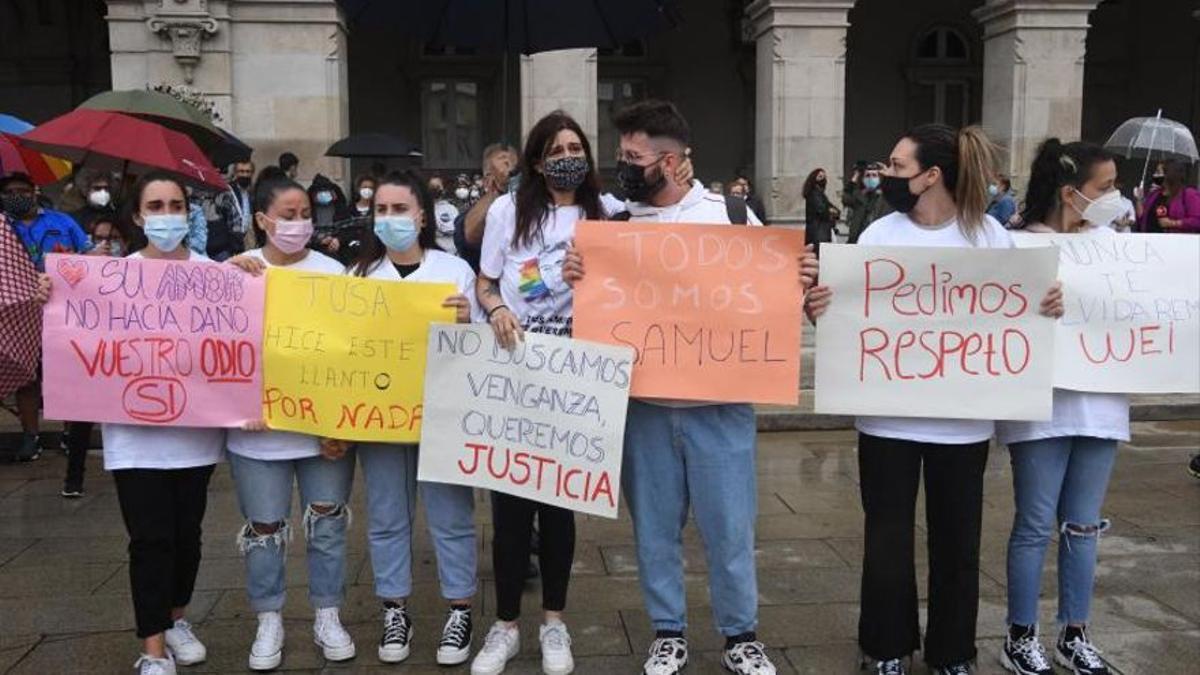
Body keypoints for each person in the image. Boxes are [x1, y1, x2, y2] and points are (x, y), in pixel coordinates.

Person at [805, 124, 1064, 675]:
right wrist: (820, 305)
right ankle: (885, 647)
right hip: (886, 421)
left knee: (958, 546)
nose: (886, 176)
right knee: (886, 544)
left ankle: (952, 651)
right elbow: (848, 311)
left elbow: (1021, 307)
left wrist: (1048, 303)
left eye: (897, 168)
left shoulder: (990, 239)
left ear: (931, 175)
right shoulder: (879, 235)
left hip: (962, 424)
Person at [560, 100, 808, 675]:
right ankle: (667, 631)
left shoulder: (733, 217)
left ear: (670, 162)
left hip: (719, 408)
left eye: (633, 156)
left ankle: (740, 635)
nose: (622, 166)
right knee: (653, 532)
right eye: (621, 154)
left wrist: (798, 280)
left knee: (730, 531)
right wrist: (579, 277)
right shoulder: (614, 227)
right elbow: (592, 309)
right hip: (644, 408)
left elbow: (769, 301)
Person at [470, 112, 608, 675]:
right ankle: (504, 627)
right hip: (516, 374)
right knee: (509, 510)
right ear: (536, 160)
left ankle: (554, 623)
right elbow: (485, 280)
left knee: (558, 508)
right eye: (555, 150)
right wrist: (498, 306)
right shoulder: (509, 211)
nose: (567, 157)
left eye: (575, 147)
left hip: (575, 380)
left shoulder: (609, 214)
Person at [996, 139, 1127, 675]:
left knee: (1083, 525)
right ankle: (1020, 635)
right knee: (1033, 523)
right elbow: (995, 317)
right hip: (1040, 406)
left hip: (1101, 403)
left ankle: (1075, 633)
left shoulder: (1117, 246)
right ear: (1071, 193)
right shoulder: (1016, 247)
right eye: (1106, 188)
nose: (1115, 198)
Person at [93, 171, 226, 675]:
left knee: (187, 535)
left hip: (195, 436)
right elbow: (77, 335)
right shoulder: (112, 278)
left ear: (188, 212)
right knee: (149, 539)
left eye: (176, 204)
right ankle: (152, 650)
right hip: (135, 437)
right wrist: (53, 292)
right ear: (138, 216)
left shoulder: (216, 275)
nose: (167, 213)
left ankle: (175, 619)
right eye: (157, 205)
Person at [347, 170, 481, 667]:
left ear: (422, 215)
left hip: (443, 414)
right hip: (381, 419)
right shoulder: (358, 277)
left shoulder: (453, 271)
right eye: (381, 210)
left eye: (400, 209)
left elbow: (484, 346)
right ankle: (394, 608)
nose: (390, 219)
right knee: (386, 517)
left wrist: (470, 320)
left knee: (451, 517)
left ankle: (460, 608)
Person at [223, 177, 357, 671]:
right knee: (264, 529)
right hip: (256, 434)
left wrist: (342, 421)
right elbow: (215, 356)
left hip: (321, 432)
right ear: (262, 219)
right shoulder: (235, 273)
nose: (299, 223)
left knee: (326, 522)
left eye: (305, 214)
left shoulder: (335, 272)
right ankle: (269, 617)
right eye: (288, 213)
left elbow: (352, 353)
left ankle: (328, 613)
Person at [1, 171, 92, 462]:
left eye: (23, 191)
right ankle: (31, 437)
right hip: (18, 312)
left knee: (65, 372)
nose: (17, 196)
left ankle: (70, 434)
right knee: (27, 377)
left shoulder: (62, 222)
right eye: (10, 192)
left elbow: (88, 256)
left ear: (35, 191)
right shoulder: (2, 228)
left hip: (63, 310)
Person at [60, 212, 131, 496]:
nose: (106, 243)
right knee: (82, 420)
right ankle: (73, 477)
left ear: (125, 242)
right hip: (91, 355)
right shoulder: (79, 270)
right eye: (99, 238)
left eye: (112, 239)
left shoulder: (140, 270)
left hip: (126, 356)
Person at [206, 160, 255, 262]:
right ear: (235, 173)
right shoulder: (227, 192)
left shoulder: (253, 193)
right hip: (229, 245)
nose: (244, 175)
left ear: (252, 173)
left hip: (248, 243)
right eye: (241, 171)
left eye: (247, 172)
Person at [1136, 160, 1200, 233]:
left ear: (1170, 174)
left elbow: (1197, 221)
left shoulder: (1188, 194)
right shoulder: (1154, 194)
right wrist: (1139, 199)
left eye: (1158, 172)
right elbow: (1142, 218)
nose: (1155, 175)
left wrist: (1173, 223)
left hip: (1176, 241)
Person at [844, 162, 888, 244]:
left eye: (874, 175)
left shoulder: (885, 197)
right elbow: (846, 198)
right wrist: (856, 175)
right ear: (863, 179)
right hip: (858, 239)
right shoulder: (858, 195)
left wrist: (889, 175)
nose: (871, 178)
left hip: (878, 240)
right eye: (867, 175)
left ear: (879, 179)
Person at [803, 167, 839, 254]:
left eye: (824, 177)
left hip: (821, 231)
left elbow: (834, 210)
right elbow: (822, 210)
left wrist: (834, 211)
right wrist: (831, 211)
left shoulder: (820, 194)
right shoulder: (814, 193)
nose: (823, 179)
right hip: (818, 232)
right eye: (820, 176)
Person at [429, 174, 460, 254]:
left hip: (449, 253)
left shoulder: (449, 208)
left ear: (444, 189)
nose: (434, 189)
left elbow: (450, 229)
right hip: (431, 254)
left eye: (437, 186)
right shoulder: (423, 208)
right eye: (432, 186)